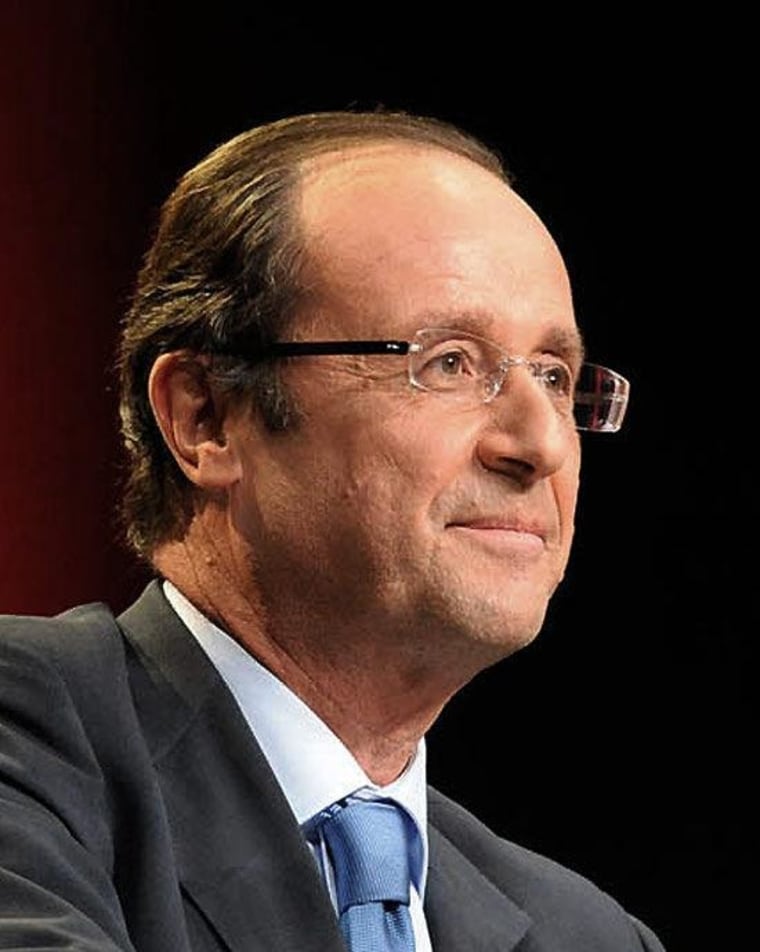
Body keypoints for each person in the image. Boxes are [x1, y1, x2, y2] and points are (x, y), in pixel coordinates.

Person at [0, 110, 664, 951]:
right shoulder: (31, 746)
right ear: (207, 417)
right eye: (449, 363)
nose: (541, 445)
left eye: (555, 377)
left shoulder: (592, 936)